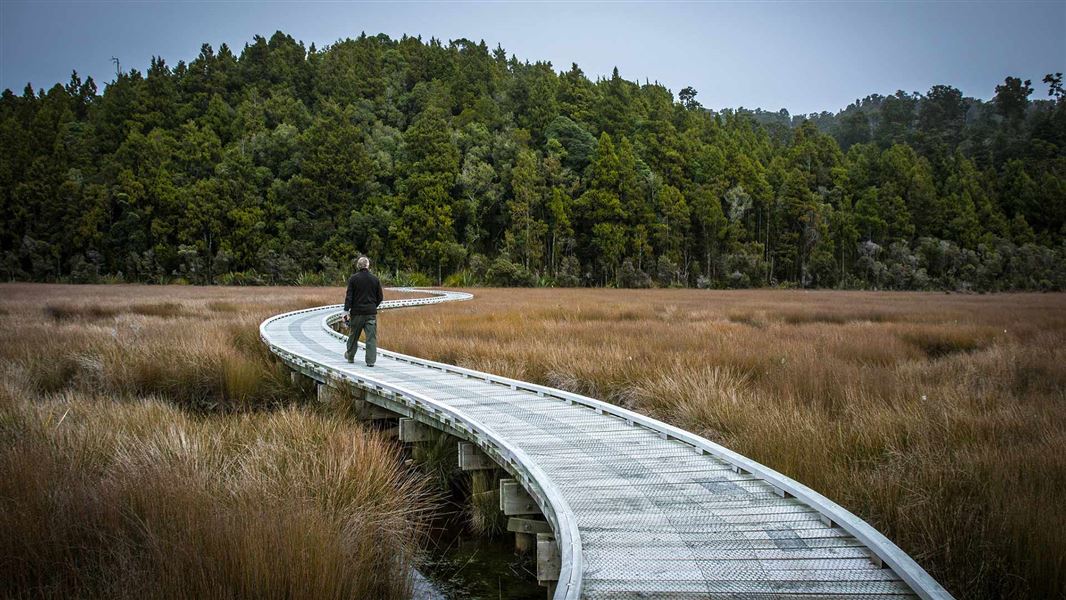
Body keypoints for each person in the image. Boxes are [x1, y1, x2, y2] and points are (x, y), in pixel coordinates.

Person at [342, 256, 383, 366]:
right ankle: (370, 361)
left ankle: (350, 356)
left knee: (353, 336)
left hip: (357, 313)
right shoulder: (375, 279)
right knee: (371, 338)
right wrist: (373, 306)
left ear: (358, 266)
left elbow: (349, 297)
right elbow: (380, 297)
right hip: (370, 314)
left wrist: (346, 311)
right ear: (368, 265)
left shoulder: (353, 279)